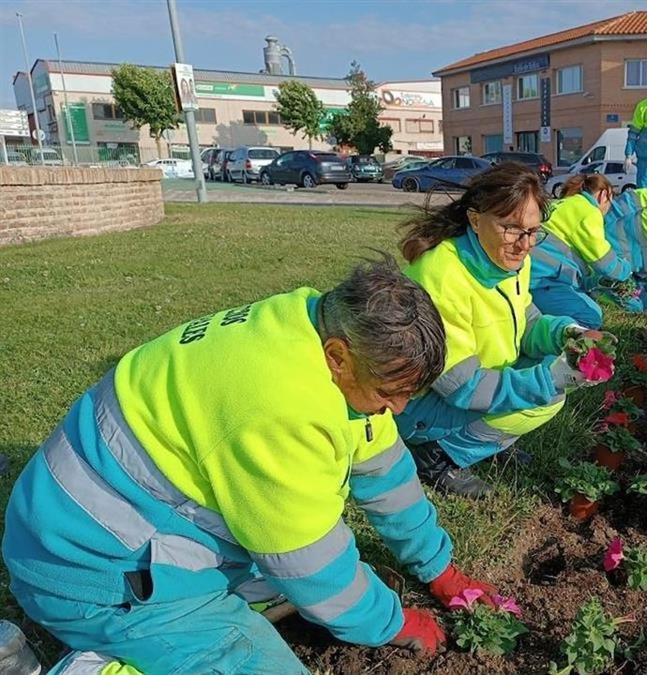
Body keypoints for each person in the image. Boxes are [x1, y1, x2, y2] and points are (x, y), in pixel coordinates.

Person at [2, 255, 496, 673]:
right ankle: (99, 661)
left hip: (122, 531)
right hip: (92, 574)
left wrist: (439, 568)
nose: (401, 409)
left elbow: (387, 472)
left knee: (308, 588)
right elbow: (313, 569)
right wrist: (395, 623)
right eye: (391, 393)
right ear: (338, 355)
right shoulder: (282, 410)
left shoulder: (314, 322)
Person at [397, 164, 607, 499]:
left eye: (533, 231)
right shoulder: (442, 274)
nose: (525, 245)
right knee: (545, 394)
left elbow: (529, 322)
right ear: (476, 220)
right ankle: (437, 455)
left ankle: (486, 442)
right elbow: (460, 385)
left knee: (550, 371)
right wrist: (549, 380)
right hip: (423, 404)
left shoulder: (506, 260)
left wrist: (567, 332)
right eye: (511, 229)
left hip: (473, 381)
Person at [530, 174, 631, 328]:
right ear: (604, 194)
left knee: (593, 308)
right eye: (610, 201)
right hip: (541, 279)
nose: (609, 208)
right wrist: (626, 269)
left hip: (535, 272)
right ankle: (547, 340)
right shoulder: (589, 211)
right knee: (590, 318)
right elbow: (605, 263)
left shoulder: (566, 203)